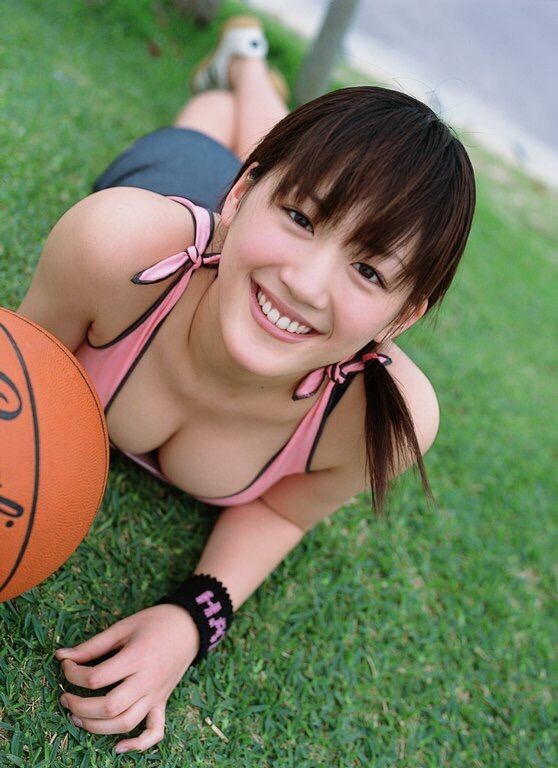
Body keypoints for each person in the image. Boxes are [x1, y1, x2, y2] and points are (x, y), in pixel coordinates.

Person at [16, 15, 475, 755]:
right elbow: (16, 376)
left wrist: (192, 619)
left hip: (241, 246)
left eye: (369, 270)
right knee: (202, 129)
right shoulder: (116, 247)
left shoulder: (383, 422)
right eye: (300, 217)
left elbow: (283, 512)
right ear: (244, 195)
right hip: (180, 189)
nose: (306, 283)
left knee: (284, 156)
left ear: (404, 317)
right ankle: (245, 69)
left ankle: (250, 81)